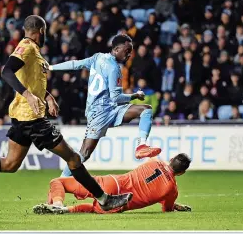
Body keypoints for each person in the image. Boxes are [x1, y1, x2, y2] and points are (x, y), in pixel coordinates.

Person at [0, 15, 132, 212]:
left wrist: (47, 96)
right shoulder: (26, 48)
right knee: (74, 159)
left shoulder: (32, 50)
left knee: (10, 164)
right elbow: (6, 71)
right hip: (33, 119)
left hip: (21, 117)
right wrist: (28, 95)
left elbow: (30, 80)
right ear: (41, 32)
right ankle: (104, 199)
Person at [48, 34, 161, 177]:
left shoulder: (97, 58)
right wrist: (134, 96)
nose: (129, 55)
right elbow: (116, 97)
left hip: (109, 109)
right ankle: (60, 182)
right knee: (84, 154)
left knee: (145, 110)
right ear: (116, 49)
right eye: (127, 51)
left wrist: (51, 67)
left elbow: (75, 64)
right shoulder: (114, 68)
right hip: (99, 113)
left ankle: (141, 146)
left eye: (130, 52)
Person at [32, 153, 192, 214]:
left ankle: (58, 204)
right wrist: (173, 205)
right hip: (120, 204)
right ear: (182, 173)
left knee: (58, 182)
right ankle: (66, 210)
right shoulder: (172, 189)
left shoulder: (154, 160)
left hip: (112, 183)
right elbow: (166, 208)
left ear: (171, 159)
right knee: (96, 208)